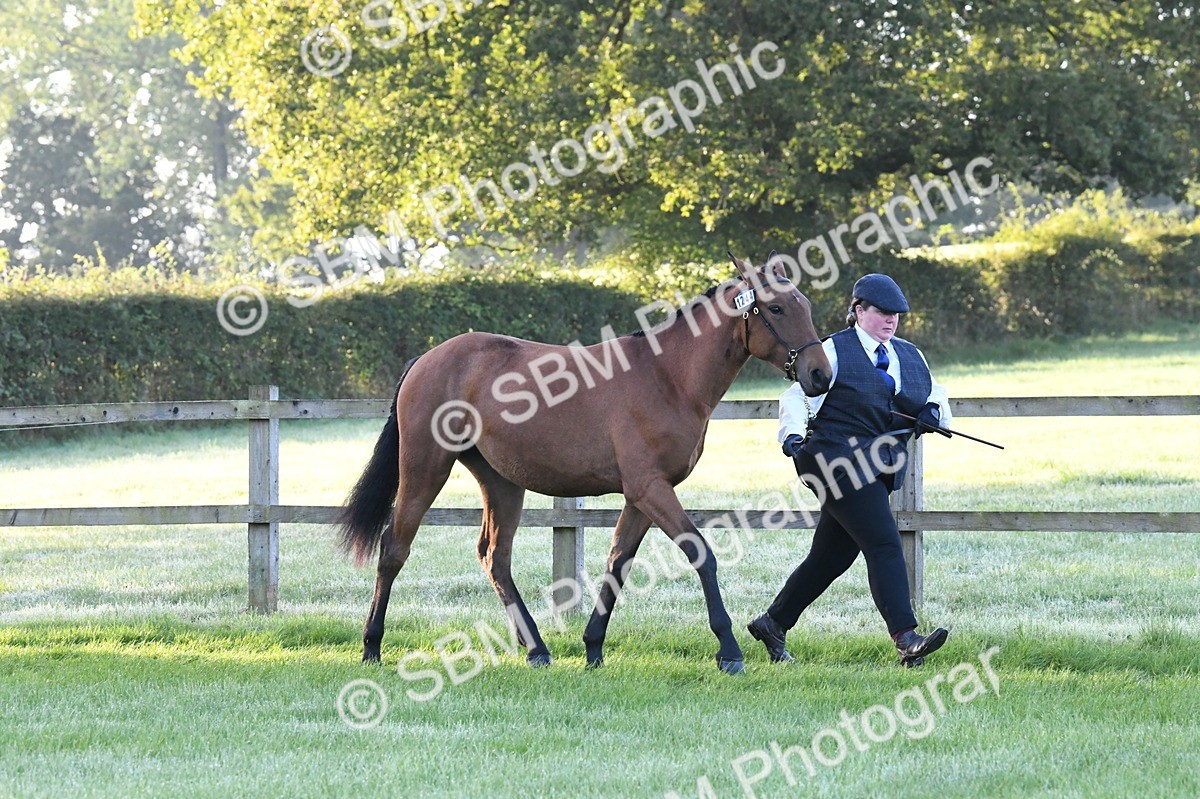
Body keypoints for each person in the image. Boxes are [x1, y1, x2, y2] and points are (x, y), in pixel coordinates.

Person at [747, 273, 952, 667]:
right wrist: (790, 436)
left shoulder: (910, 354)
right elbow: (795, 395)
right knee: (884, 543)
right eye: (881, 312)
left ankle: (773, 622)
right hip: (832, 460)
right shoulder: (833, 350)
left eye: (896, 314)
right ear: (858, 310)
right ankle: (906, 638)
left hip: (879, 467)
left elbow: (935, 391)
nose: (890, 320)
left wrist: (932, 412)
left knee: (831, 557)